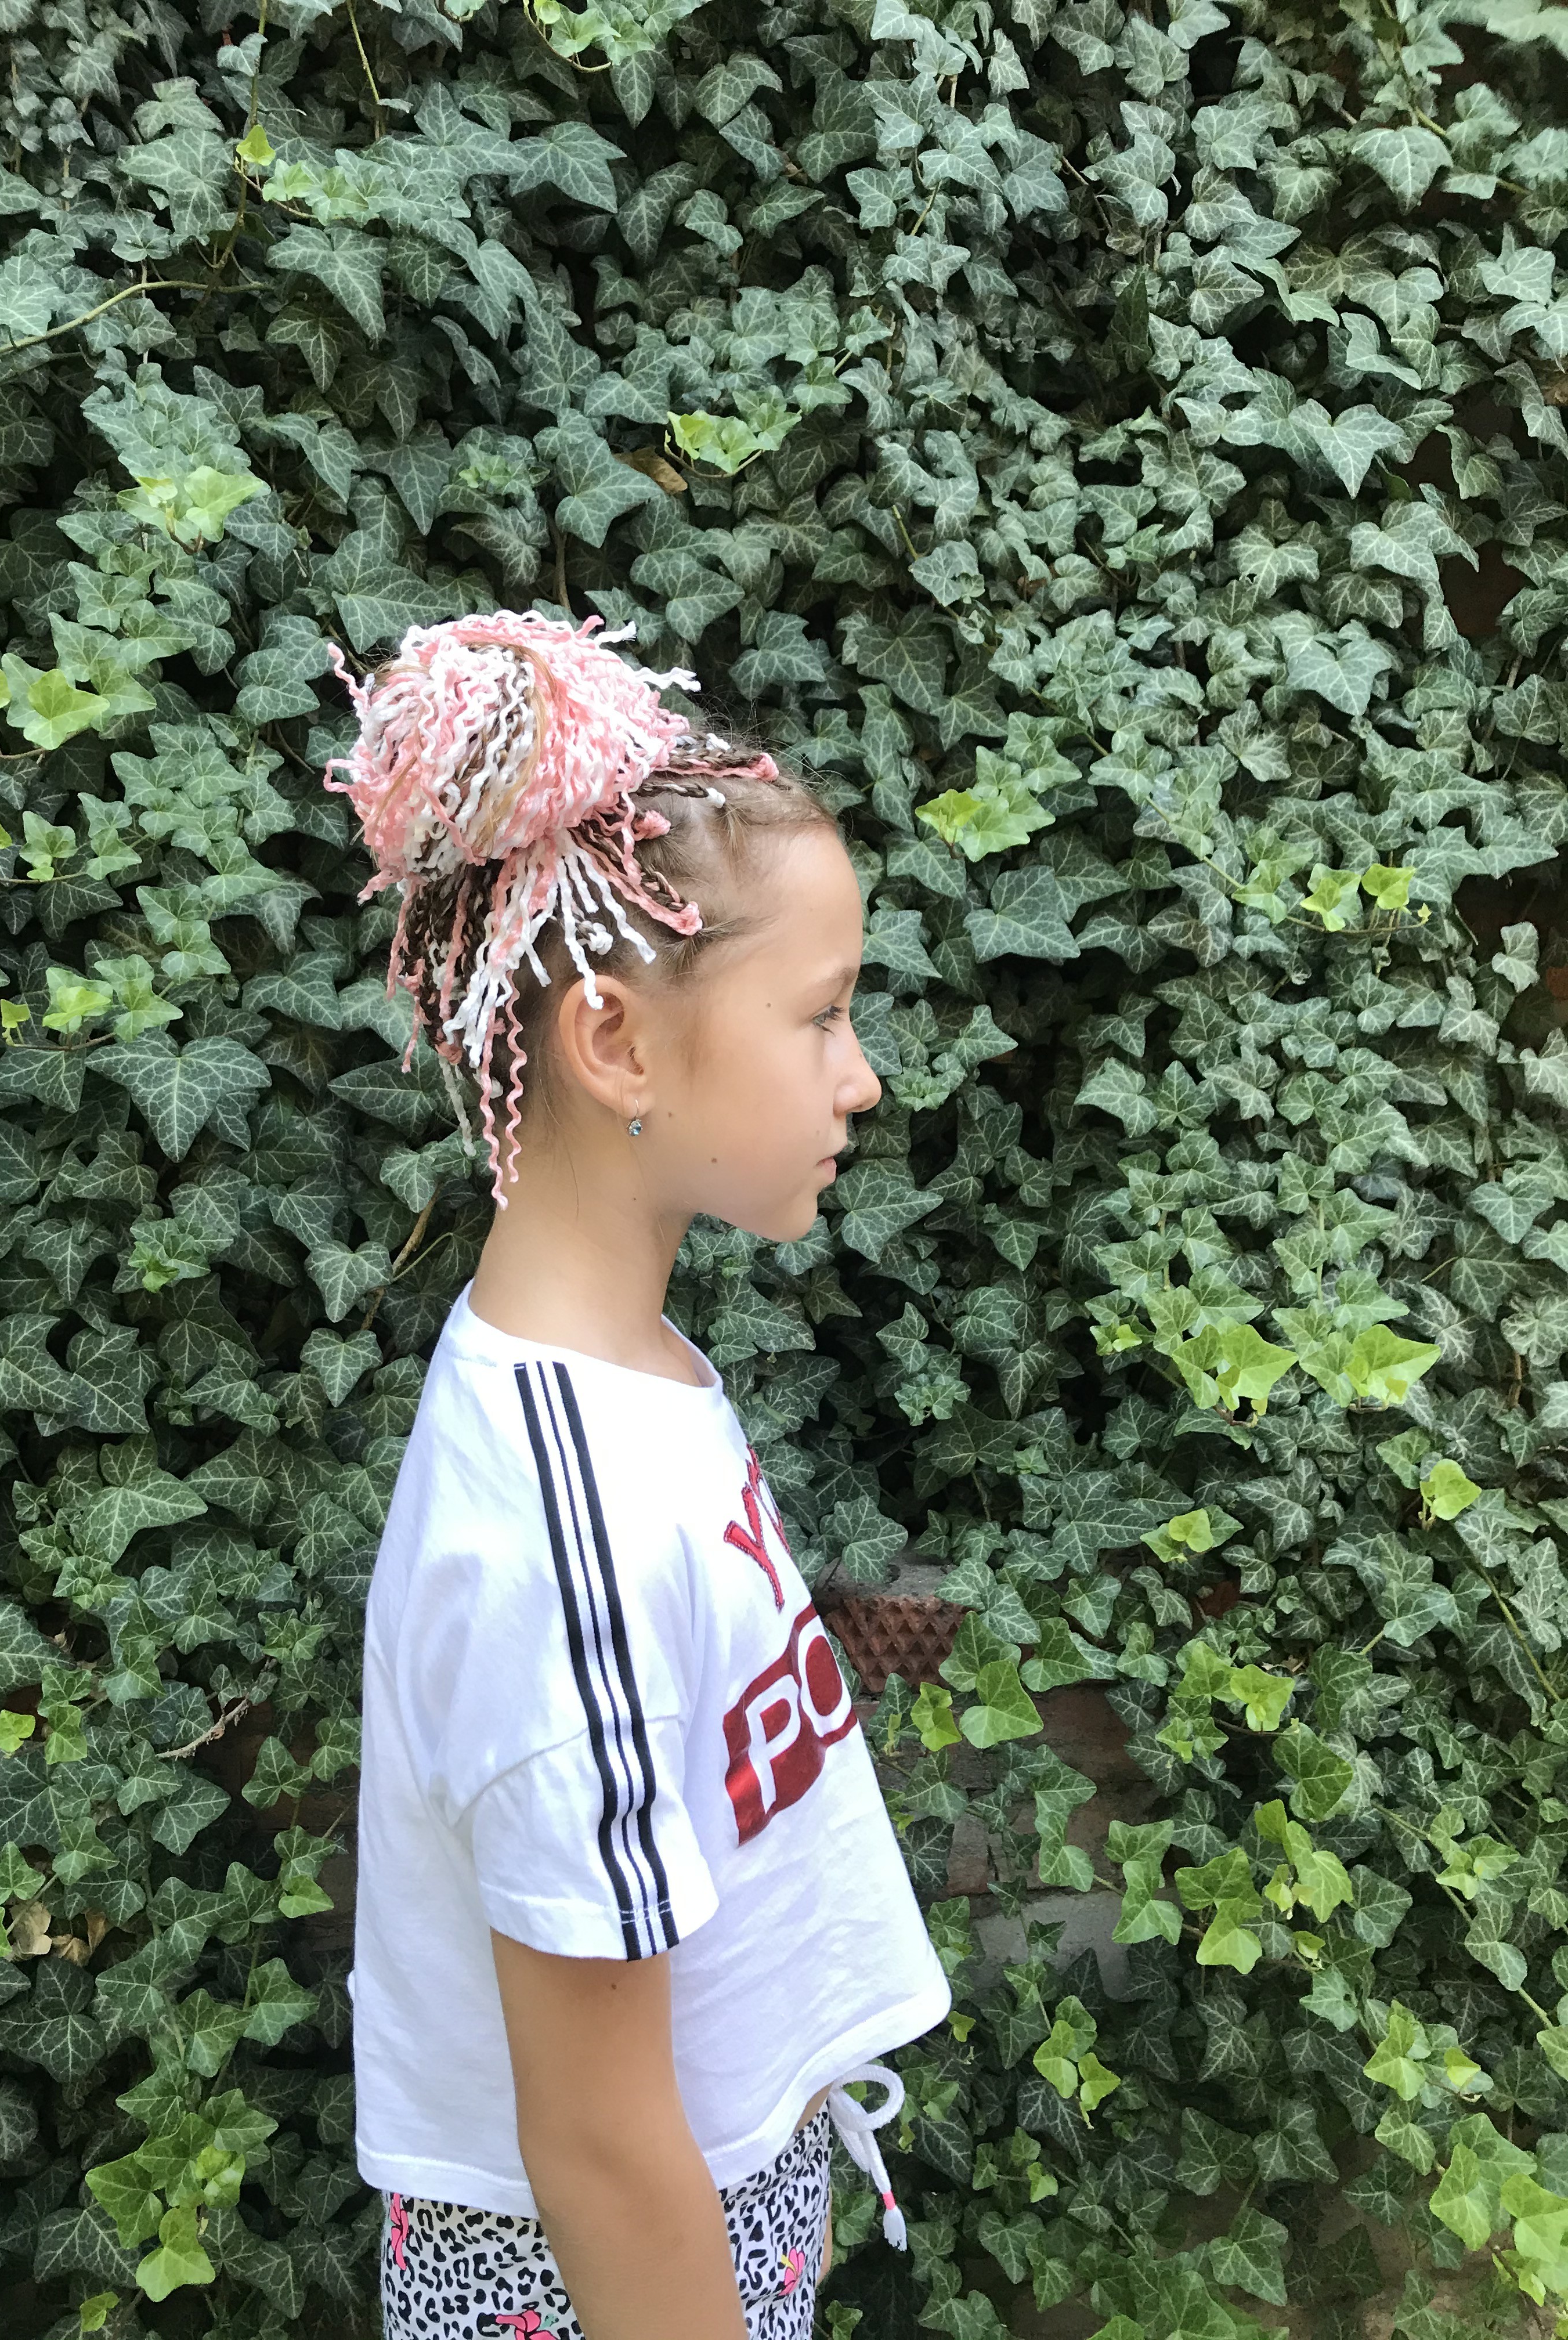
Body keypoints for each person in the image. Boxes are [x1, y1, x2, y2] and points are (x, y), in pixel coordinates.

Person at [331, 610, 952, 2340]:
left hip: (711, 2197)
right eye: (820, 1016)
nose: (861, 1076)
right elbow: (600, 2151)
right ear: (613, 1043)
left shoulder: (627, 1375)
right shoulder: (560, 1540)